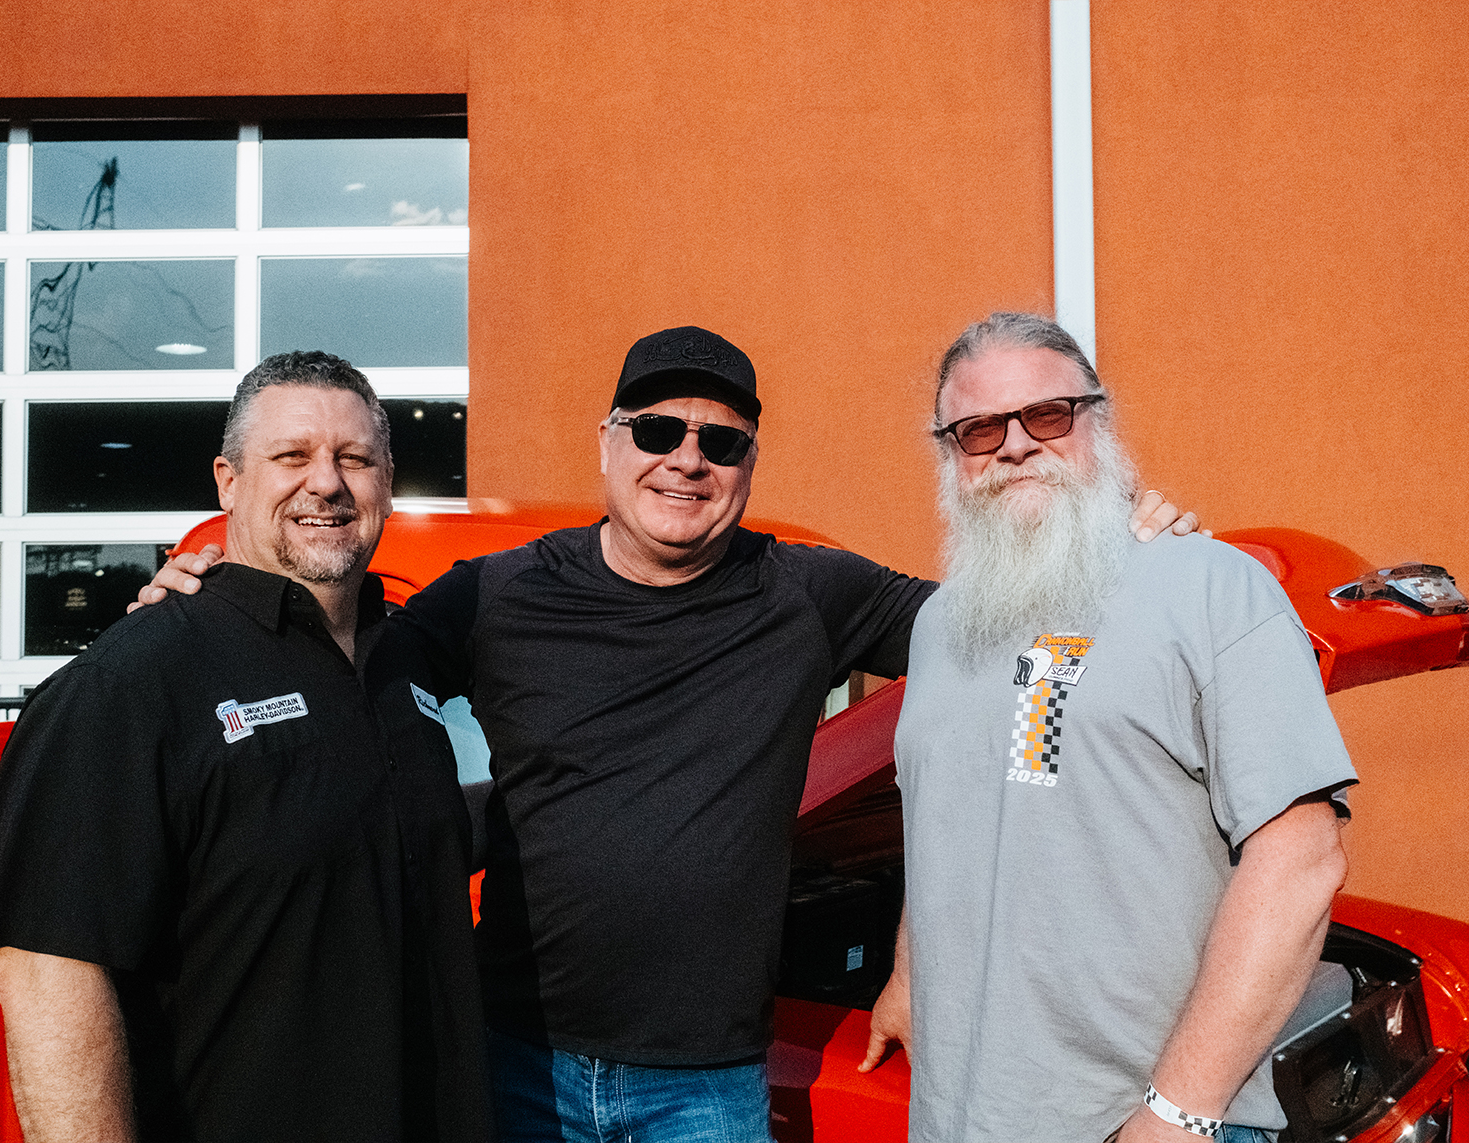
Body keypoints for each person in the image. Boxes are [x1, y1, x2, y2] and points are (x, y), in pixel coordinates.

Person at [141, 326, 1195, 1142]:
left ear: (746, 463)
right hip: (515, 1059)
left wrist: (1128, 546)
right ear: (609, 441)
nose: (685, 460)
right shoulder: (494, 599)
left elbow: (1006, 623)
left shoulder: (807, 594)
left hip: (711, 1086)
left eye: (719, 442)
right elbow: (325, 672)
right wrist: (207, 601)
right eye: (656, 431)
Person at [859, 313, 1355, 1143]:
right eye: (979, 429)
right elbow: (955, 811)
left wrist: (1177, 1112)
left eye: (1048, 414)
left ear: (1099, 420)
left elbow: (1302, 860)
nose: (1015, 444)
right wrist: (909, 973)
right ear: (949, 454)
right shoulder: (942, 625)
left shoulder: (1209, 585)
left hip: (1146, 1122)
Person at [0, 352, 492, 1143]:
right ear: (228, 481)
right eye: (292, 456)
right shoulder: (133, 683)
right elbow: (49, 968)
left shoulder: (405, 663)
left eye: (355, 458)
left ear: (387, 481)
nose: (327, 482)